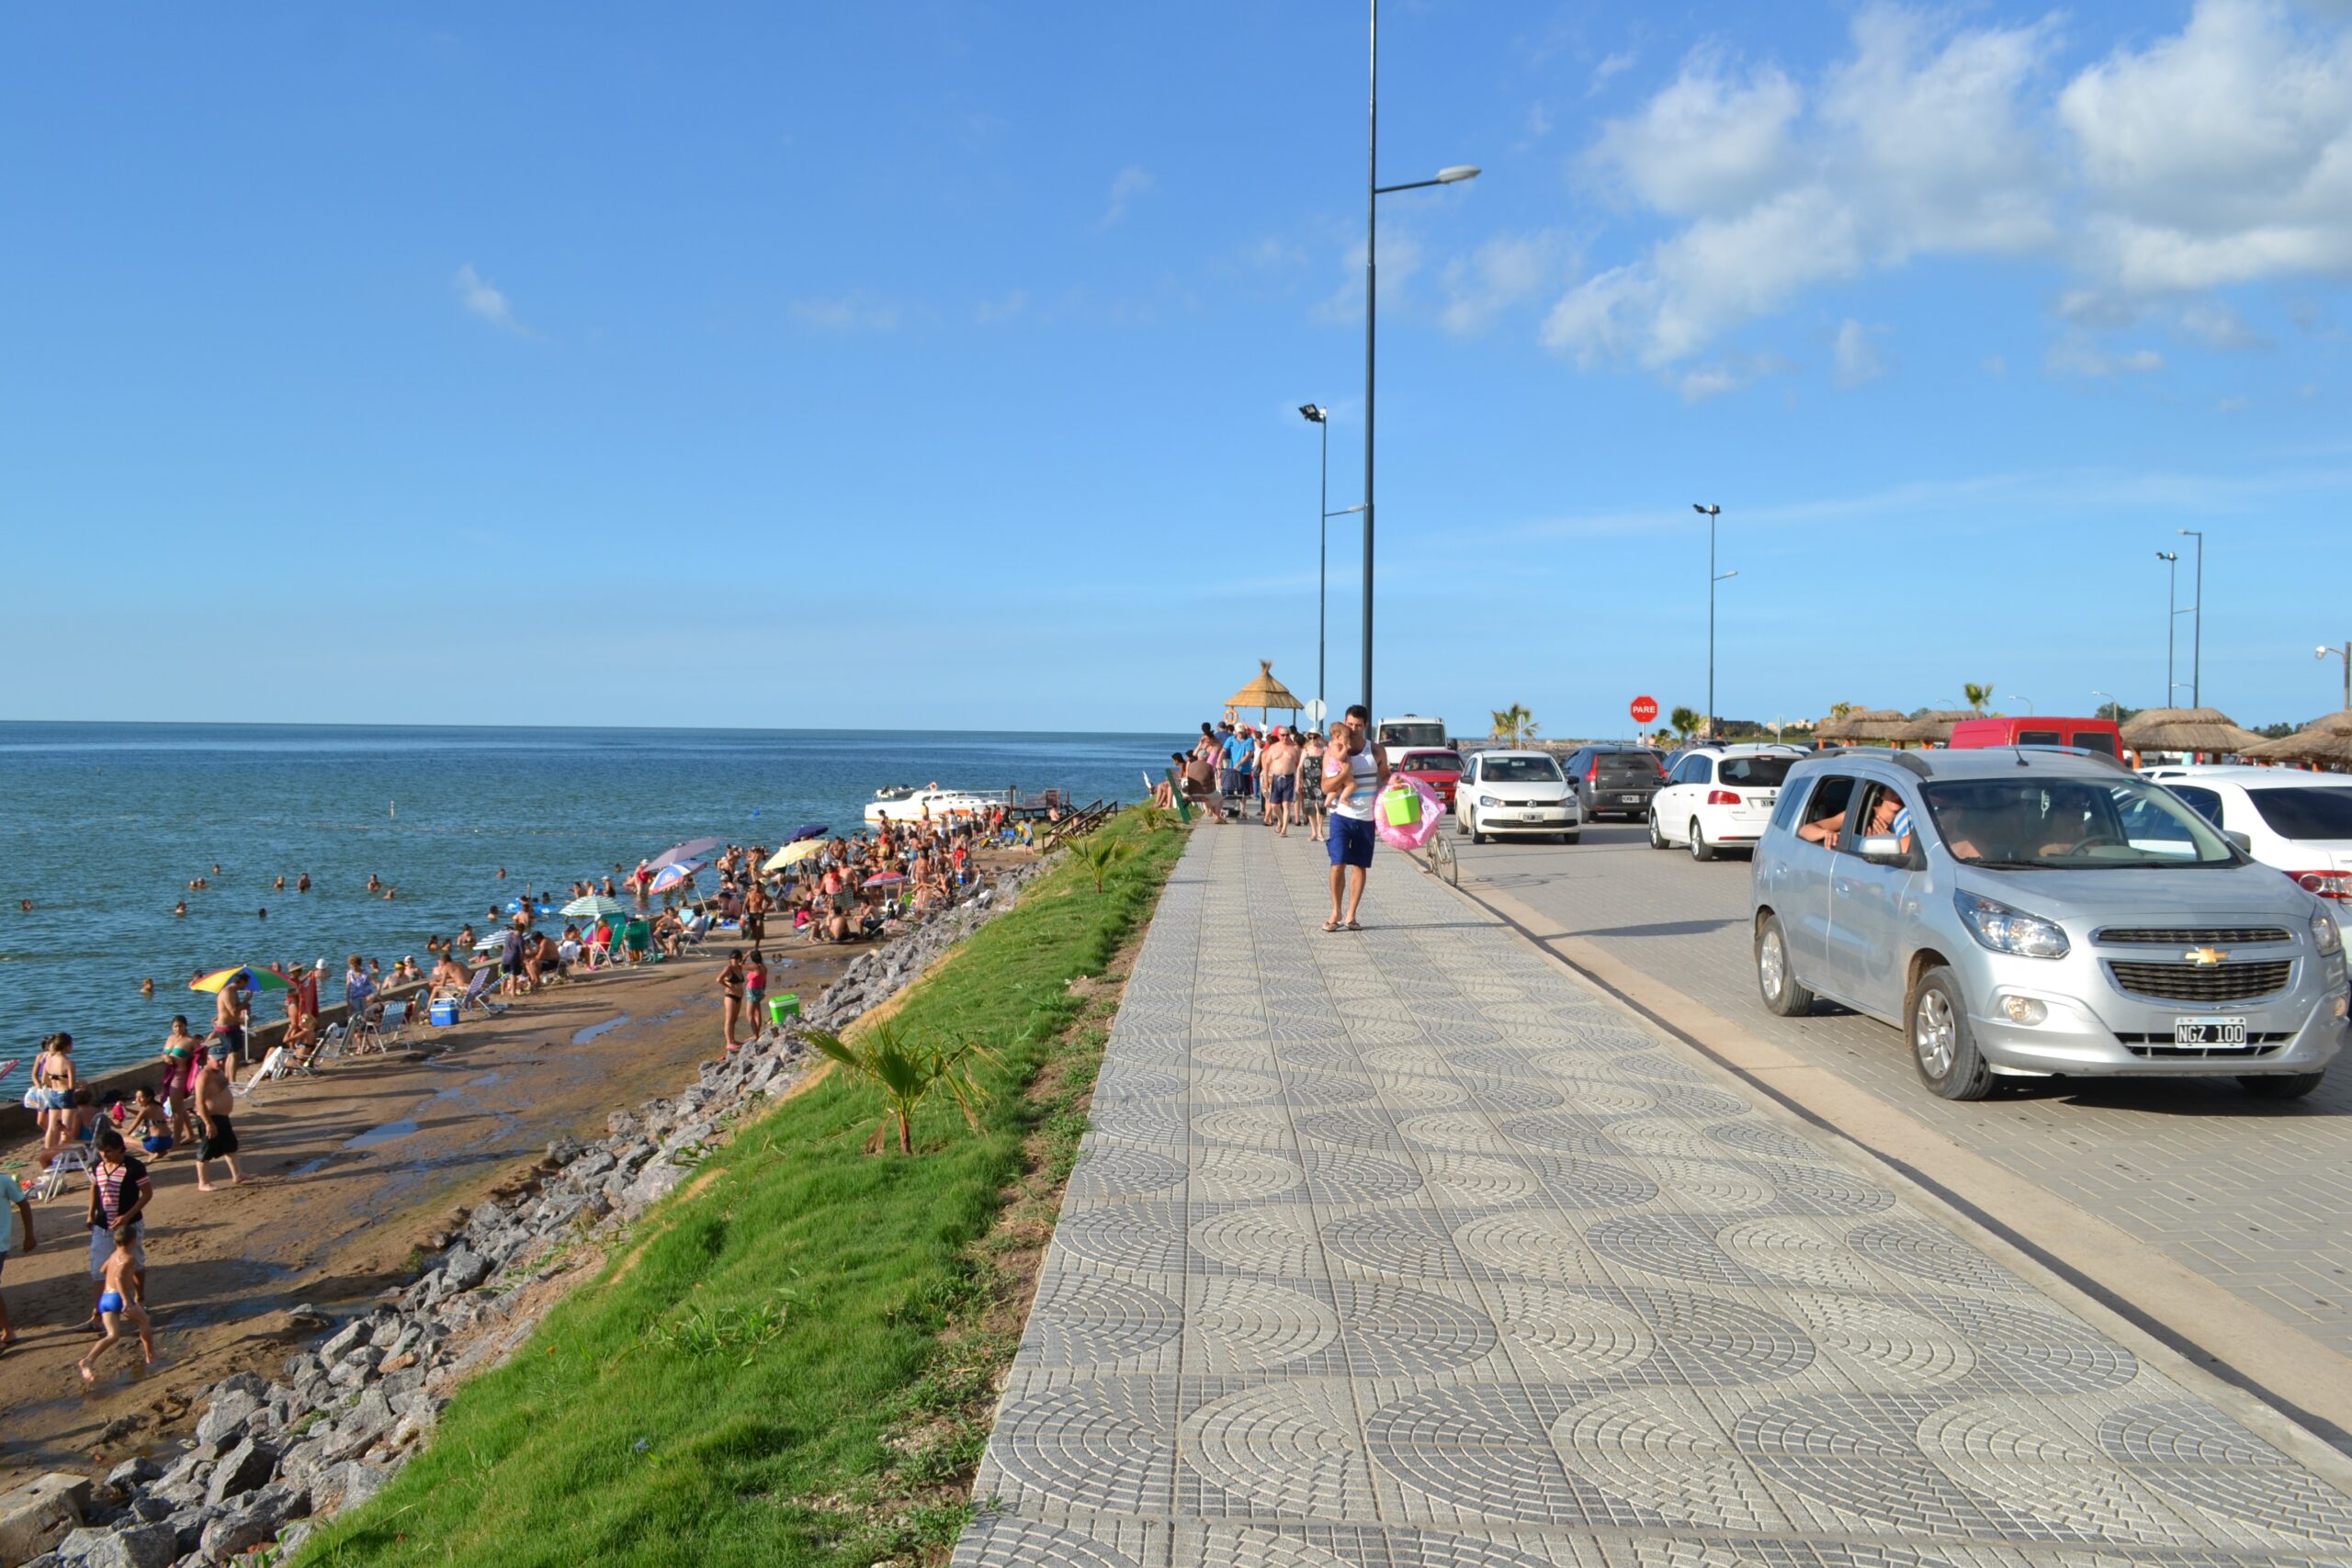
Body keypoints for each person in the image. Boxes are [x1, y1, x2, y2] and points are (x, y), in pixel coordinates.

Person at [1323, 705, 1389, 931]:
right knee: (1337, 863)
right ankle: (1335, 911)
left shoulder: (1376, 751)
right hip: (1341, 815)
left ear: (1366, 726)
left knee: (1360, 866)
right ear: (1344, 722)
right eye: (1350, 724)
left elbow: (1385, 777)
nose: (1353, 729)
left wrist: (1397, 782)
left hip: (1366, 817)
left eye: (1358, 725)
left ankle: (1351, 915)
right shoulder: (1332, 751)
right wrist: (1344, 773)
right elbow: (1325, 786)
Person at [77, 1223, 157, 1382]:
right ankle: (151, 1355)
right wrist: (126, 1299)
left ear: (115, 1241)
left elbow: (102, 1270)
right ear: (133, 1241)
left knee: (112, 1335)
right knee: (145, 1321)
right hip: (118, 1298)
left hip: (105, 1298)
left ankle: (88, 1360)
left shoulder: (113, 1256)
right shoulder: (129, 1258)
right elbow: (119, 1277)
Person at [85, 1127, 151, 1318]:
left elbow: (147, 1194)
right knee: (99, 1269)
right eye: (101, 1151)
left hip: (130, 1226)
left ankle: (140, 1298)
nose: (104, 1155)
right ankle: (98, 1314)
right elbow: (94, 1188)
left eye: (109, 1151)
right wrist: (90, 1215)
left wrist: (127, 1216)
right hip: (103, 1225)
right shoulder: (97, 1166)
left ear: (120, 1149)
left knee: (136, 1263)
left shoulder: (134, 1167)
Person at [192, 1055, 243, 1190]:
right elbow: (199, 1102)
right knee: (206, 1150)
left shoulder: (218, 1072)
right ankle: (203, 1183)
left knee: (230, 1146)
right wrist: (208, 1123)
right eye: (217, 1060)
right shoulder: (203, 1076)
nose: (221, 1062)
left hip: (222, 1116)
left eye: (223, 1059)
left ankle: (238, 1175)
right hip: (210, 1117)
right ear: (208, 1059)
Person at [0, 1159, 33, 1349]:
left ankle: (7, 1330)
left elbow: (24, 1205)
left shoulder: (4, 1181)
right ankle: (7, 1331)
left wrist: (29, 1236)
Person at [32, 1033, 77, 1167]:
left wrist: (56, 1082)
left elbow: (44, 1081)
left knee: (52, 1127)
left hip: (53, 1094)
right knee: (65, 1127)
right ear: (66, 1046)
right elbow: (71, 1085)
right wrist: (82, 1083)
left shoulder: (48, 1060)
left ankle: (48, 1156)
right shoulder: (69, 1063)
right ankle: (63, 1157)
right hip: (66, 1095)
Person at [209, 975, 251, 1078]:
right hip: (226, 1028)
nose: (247, 986)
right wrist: (246, 1001)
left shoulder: (234, 991)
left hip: (233, 1026)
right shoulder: (227, 992)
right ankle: (232, 1081)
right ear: (242, 981)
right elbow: (233, 1011)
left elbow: (237, 1008)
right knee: (233, 1054)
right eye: (246, 983)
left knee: (233, 1054)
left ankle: (228, 1079)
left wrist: (245, 1001)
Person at [1261, 727, 1301, 837]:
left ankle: (1284, 830)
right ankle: (1281, 820)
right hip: (1276, 779)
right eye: (1283, 735)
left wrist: (1300, 780)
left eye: (1287, 735)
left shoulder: (1294, 748)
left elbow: (1300, 765)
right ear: (1279, 736)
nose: (1285, 737)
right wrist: (1265, 781)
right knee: (1274, 805)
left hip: (1289, 779)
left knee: (1286, 806)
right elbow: (1266, 765)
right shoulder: (1273, 748)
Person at [125, 1087, 173, 1159]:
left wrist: (118, 1127)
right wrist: (127, 1109)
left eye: (140, 1098)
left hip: (157, 1142)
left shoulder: (145, 1110)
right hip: (169, 1140)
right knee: (138, 1135)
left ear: (149, 1097)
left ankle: (152, 1153)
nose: (137, 1100)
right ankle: (161, 1151)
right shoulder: (158, 1106)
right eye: (136, 1097)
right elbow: (142, 1114)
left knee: (125, 1140)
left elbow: (129, 1131)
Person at [718, 951, 747, 1053]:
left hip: (739, 996)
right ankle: (729, 1043)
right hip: (730, 996)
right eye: (732, 958)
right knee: (729, 1020)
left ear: (739, 959)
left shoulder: (739, 967)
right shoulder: (728, 969)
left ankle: (733, 1040)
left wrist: (747, 955)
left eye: (736, 958)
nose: (734, 960)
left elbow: (743, 963)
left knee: (734, 1019)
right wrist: (729, 986)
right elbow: (718, 979)